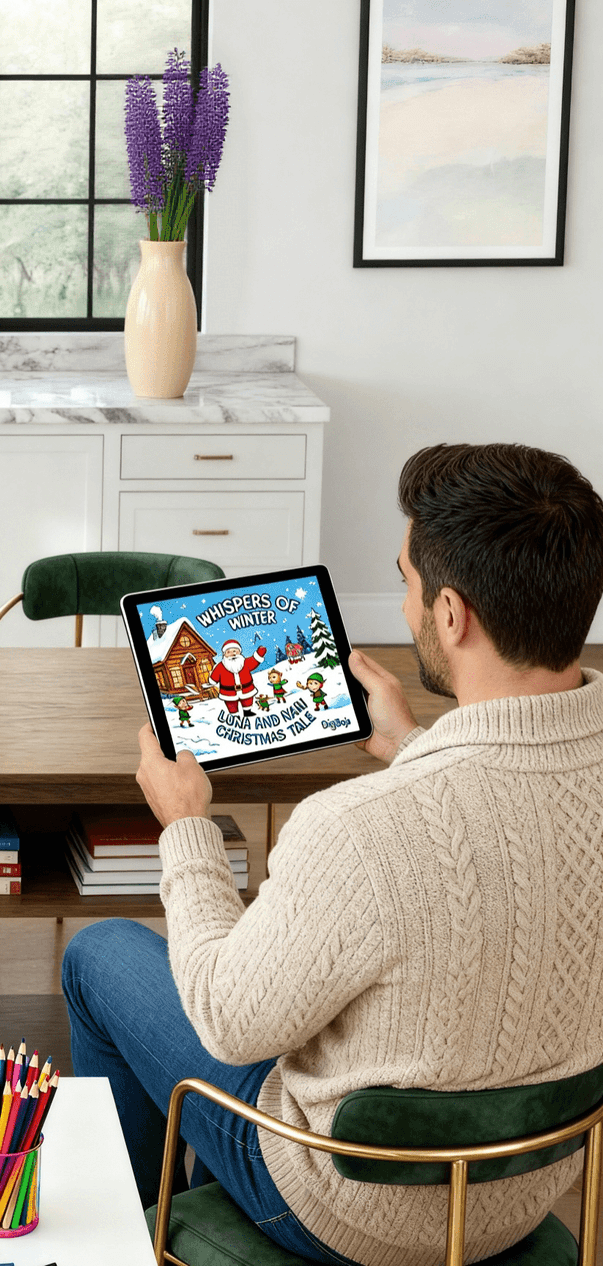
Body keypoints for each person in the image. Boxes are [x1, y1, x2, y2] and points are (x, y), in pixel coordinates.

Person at [63, 443, 603, 1266]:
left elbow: (228, 1024)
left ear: (451, 614)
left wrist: (187, 828)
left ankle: (122, 1242)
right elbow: (517, 826)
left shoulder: (354, 827)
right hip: (524, 1189)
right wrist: (415, 746)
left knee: (99, 954)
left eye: (407, 582)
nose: (406, 601)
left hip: (352, 1212)